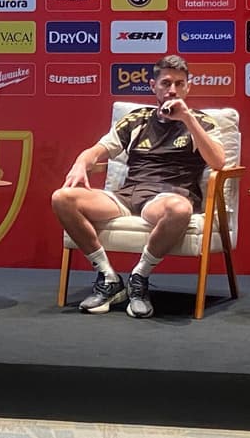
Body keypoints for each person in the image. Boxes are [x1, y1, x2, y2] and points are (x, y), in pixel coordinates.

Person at [51, 55, 225, 318]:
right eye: (166, 83)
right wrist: (80, 162)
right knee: (62, 198)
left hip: (167, 196)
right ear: (153, 86)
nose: (172, 90)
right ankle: (108, 277)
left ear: (188, 87)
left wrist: (187, 119)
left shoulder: (201, 122)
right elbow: (98, 150)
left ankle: (139, 277)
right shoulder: (137, 119)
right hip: (127, 194)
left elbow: (218, 162)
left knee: (179, 209)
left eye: (179, 84)